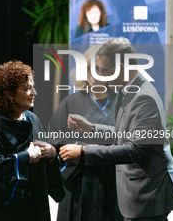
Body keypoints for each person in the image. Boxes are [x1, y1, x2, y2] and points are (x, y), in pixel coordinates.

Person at [60, 37, 173, 220]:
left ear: (121, 68)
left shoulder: (144, 98)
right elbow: (122, 134)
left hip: (148, 196)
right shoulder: (128, 90)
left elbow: (133, 149)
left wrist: (83, 151)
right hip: (138, 195)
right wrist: (91, 128)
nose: (99, 75)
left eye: (103, 70)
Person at [0, 61, 65, 221]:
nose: (34, 93)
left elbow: (46, 165)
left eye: (32, 87)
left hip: (34, 204)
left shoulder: (34, 120)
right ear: (9, 94)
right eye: (26, 88)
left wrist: (52, 154)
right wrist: (26, 157)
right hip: (6, 208)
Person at [48, 45, 122, 221]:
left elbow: (129, 139)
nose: (94, 75)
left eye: (100, 69)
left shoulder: (122, 102)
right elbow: (54, 138)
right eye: (89, 69)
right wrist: (79, 148)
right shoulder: (70, 102)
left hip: (114, 182)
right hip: (79, 183)